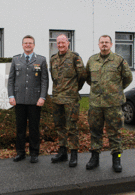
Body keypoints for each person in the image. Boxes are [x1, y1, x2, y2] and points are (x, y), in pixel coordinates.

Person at [86, 35, 133, 172]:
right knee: (95, 132)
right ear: (98, 44)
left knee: (115, 133)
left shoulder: (119, 61)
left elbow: (128, 78)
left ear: (111, 44)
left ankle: (116, 159)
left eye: (107, 42)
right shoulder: (92, 60)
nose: (104, 44)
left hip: (113, 104)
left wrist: (116, 90)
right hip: (96, 104)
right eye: (102, 42)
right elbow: (88, 78)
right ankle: (94, 158)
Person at [8, 35, 49, 163]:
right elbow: (11, 80)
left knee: (34, 128)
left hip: (35, 100)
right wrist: (11, 95)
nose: (28, 45)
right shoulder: (16, 59)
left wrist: (42, 97)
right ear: (22, 45)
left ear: (34, 45)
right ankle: (20, 153)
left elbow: (44, 81)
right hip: (19, 99)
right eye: (26, 43)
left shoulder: (41, 60)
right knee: (20, 128)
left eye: (30, 43)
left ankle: (34, 153)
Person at [50, 34, 87, 167]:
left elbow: (82, 75)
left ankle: (74, 154)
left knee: (72, 127)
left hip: (70, 98)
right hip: (57, 98)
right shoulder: (53, 59)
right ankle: (62, 152)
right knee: (59, 126)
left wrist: (75, 88)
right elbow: (54, 77)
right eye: (58, 43)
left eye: (63, 42)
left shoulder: (75, 57)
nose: (60, 45)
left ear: (68, 43)